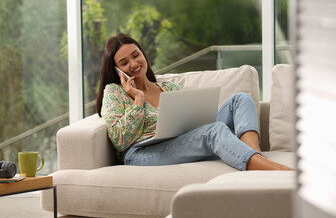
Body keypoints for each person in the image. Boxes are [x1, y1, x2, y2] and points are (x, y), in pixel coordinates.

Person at [96, 33, 292, 171]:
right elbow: (120, 140)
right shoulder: (114, 92)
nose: (133, 64)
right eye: (124, 63)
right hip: (141, 152)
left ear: (142, 54)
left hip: (180, 140)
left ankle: (255, 157)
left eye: (135, 55)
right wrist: (138, 99)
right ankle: (274, 169)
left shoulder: (169, 88)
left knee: (240, 99)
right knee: (214, 131)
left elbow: (193, 121)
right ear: (116, 70)